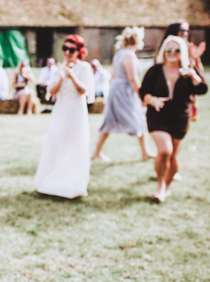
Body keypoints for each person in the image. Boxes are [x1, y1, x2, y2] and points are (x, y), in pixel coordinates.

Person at [140, 35, 207, 202]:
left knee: (173, 155)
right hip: (157, 115)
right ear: (163, 51)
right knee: (164, 151)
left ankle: (167, 186)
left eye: (176, 49)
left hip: (180, 117)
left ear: (181, 52)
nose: (172, 52)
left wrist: (194, 77)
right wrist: (152, 100)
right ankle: (160, 186)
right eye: (168, 49)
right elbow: (143, 92)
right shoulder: (155, 70)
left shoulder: (188, 70)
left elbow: (203, 90)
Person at [34, 34, 94, 198]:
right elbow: (51, 92)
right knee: (56, 144)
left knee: (75, 145)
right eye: (65, 48)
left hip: (76, 111)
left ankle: (72, 184)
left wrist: (72, 76)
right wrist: (61, 76)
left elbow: (84, 91)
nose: (67, 52)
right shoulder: (58, 68)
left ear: (79, 51)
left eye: (71, 49)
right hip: (60, 110)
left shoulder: (85, 68)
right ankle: (51, 182)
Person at [92, 27, 154, 162]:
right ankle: (146, 152)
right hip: (124, 91)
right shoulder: (129, 55)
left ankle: (97, 152)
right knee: (139, 117)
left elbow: (113, 75)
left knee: (109, 121)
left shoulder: (119, 54)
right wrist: (141, 96)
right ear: (137, 41)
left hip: (115, 88)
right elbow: (133, 79)